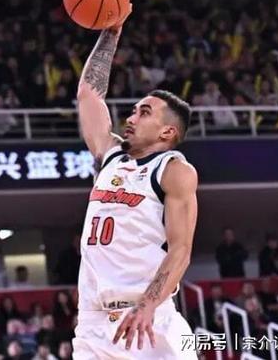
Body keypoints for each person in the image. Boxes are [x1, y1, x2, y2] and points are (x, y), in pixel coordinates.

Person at [72, 19, 198, 358]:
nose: (130, 118)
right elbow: (88, 94)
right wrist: (111, 32)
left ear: (167, 132)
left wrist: (147, 306)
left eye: (144, 113)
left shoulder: (173, 170)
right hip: (93, 322)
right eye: (133, 111)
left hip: (147, 318)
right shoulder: (111, 157)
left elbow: (181, 250)